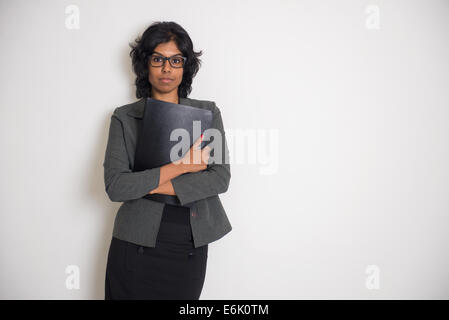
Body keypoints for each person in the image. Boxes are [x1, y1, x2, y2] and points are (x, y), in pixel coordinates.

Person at [103, 21, 232, 300]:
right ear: (145, 64)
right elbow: (116, 186)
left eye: (175, 60)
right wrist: (183, 167)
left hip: (188, 246)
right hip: (134, 244)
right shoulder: (124, 117)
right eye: (158, 59)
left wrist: (144, 183)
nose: (166, 68)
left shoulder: (208, 113)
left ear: (185, 66)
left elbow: (220, 178)